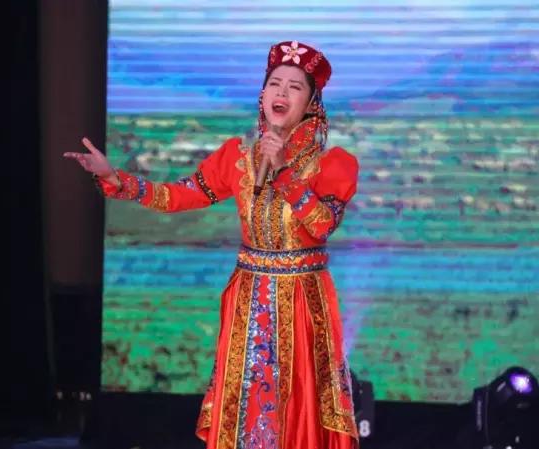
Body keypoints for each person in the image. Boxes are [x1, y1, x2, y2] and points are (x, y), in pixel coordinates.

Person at [65, 40, 359, 449]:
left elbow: (322, 225)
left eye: (294, 87)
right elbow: (178, 195)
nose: (281, 92)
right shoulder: (237, 157)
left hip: (303, 302)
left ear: (311, 103)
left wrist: (283, 173)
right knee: (248, 402)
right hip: (250, 297)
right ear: (262, 94)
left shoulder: (332, 163)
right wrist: (116, 178)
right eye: (274, 83)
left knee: (299, 403)